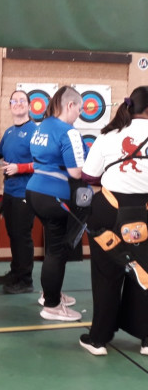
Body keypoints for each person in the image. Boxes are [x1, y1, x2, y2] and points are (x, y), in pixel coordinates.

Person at [79, 86, 148, 356]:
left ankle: (98, 339)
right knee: (145, 272)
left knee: (106, 274)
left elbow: (88, 175)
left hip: (108, 209)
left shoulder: (109, 135)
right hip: (145, 211)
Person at [26, 85, 87, 321]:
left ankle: (49, 294)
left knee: (53, 248)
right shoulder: (68, 131)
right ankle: (51, 306)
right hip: (54, 196)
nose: (79, 114)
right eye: (79, 109)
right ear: (70, 105)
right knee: (56, 251)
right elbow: (76, 172)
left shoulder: (43, 125)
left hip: (35, 191)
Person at [0, 90, 36, 294]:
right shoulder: (10, 132)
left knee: (22, 236)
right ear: (10, 105)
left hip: (25, 193)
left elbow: (42, 163)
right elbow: (0, 152)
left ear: (29, 105)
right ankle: (16, 272)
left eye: (22, 100)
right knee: (13, 234)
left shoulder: (35, 131)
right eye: (14, 101)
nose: (18, 103)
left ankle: (25, 280)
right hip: (10, 191)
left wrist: (19, 168)